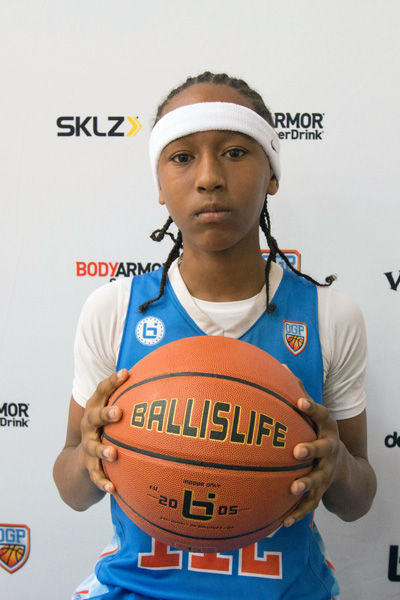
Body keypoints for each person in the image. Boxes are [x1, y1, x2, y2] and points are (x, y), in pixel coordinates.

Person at [53, 71, 377, 600]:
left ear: (272, 174)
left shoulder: (329, 316)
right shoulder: (114, 309)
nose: (209, 178)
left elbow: (357, 501)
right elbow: (72, 491)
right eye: (182, 157)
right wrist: (89, 454)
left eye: (234, 152)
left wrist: (336, 464)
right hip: (137, 589)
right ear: (160, 187)